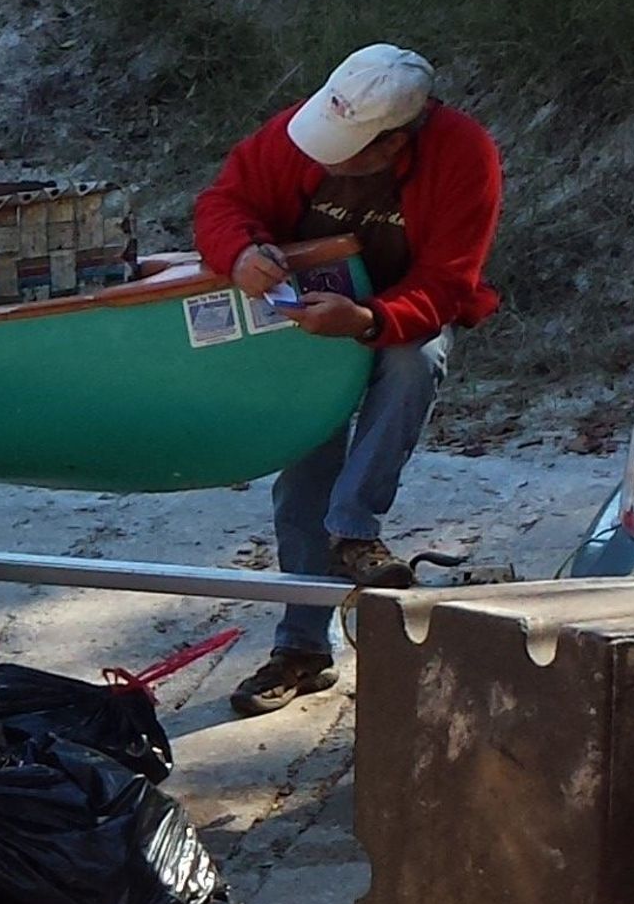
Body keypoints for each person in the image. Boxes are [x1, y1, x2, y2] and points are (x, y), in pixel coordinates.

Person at [193, 43, 502, 719]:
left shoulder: (464, 154)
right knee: (303, 476)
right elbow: (224, 202)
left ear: (396, 141)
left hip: (393, 313)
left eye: (348, 150)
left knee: (412, 361)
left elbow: (450, 282)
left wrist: (366, 319)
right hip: (304, 319)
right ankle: (302, 650)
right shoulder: (295, 131)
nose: (324, 158)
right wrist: (241, 251)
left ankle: (355, 528)